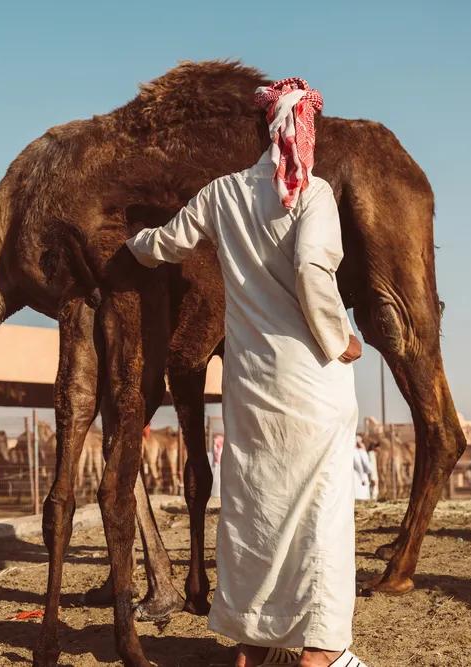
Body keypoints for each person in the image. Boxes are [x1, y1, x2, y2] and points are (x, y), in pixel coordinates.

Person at [126, 77, 366, 667]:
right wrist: (342, 340)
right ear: (304, 129)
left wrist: (124, 242)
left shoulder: (222, 193)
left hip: (251, 389)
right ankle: (324, 654)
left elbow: (161, 245)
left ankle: (252, 651)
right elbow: (313, 270)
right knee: (319, 520)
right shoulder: (313, 194)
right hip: (311, 385)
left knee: (258, 513)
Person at [353, 437, 374, 501]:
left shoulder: (347, 452)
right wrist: (362, 479)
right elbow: (367, 467)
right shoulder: (360, 452)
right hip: (360, 483)